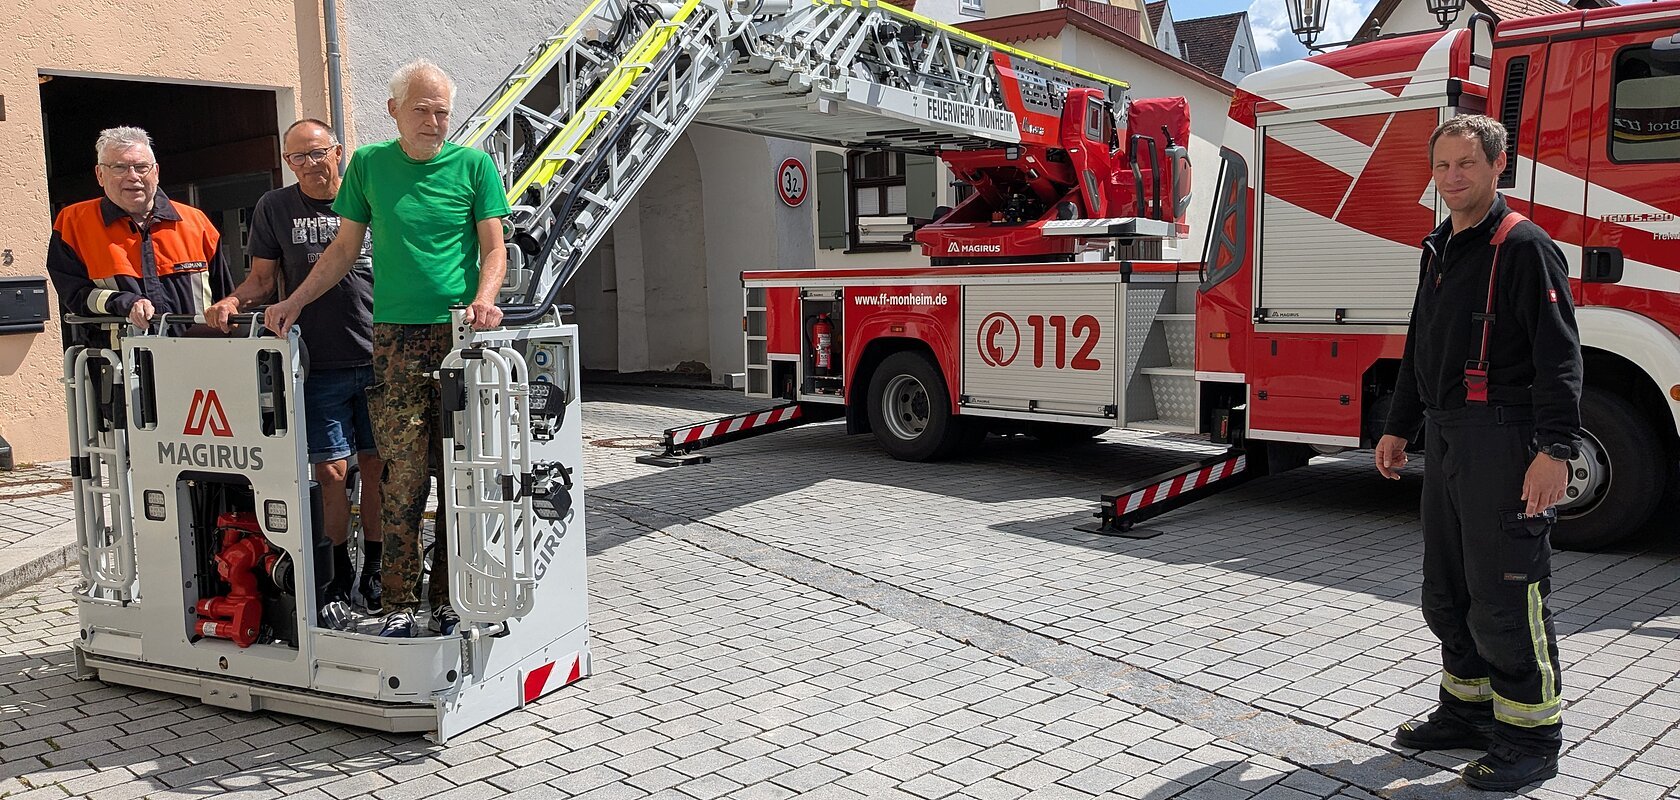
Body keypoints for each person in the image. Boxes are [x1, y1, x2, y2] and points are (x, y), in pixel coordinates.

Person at [264, 59, 509, 639]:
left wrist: (484, 298)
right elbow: (343, 250)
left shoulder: (474, 166)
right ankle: (398, 599)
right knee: (400, 474)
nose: (433, 121)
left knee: (459, 473)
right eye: (421, 109)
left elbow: (494, 249)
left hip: (459, 336)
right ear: (394, 110)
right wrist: (294, 301)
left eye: (443, 111)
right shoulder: (371, 165)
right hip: (394, 338)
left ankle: (451, 594)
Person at [1375, 114, 1582, 792]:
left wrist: (1555, 448)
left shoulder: (1524, 247)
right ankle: (1466, 710)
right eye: (1442, 166)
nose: (1453, 177)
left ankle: (1531, 738)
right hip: (1449, 438)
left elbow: (1560, 359)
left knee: (1505, 597)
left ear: (1498, 168)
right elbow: (1420, 344)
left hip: (1506, 438)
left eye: (1467, 163)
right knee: (1448, 592)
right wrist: (1398, 424)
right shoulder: (1438, 247)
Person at [205, 119, 385, 613]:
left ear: (338, 151)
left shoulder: (371, 198)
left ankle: (375, 568)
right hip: (315, 363)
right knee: (330, 471)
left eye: (315, 153)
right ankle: (335, 571)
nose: (306, 165)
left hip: (380, 357)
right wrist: (233, 301)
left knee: (377, 468)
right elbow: (262, 280)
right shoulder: (275, 207)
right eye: (295, 158)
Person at [47, 126, 234, 348]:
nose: (133, 176)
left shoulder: (196, 222)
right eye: (119, 167)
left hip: (196, 360)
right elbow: (75, 295)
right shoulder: (74, 223)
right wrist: (125, 303)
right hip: (119, 365)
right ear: (100, 175)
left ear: (155, 172)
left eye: (141, 167)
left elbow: (225, 298)